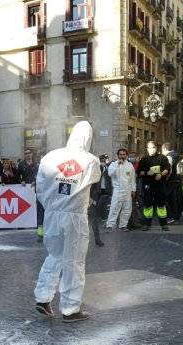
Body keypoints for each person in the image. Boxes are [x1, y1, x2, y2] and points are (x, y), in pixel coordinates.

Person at [34, 120, 100, 323]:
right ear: (89, 137)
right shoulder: (91, 160)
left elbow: (39, 186)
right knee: (74, 261)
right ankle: (71, 309)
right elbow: (94, 179)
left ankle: (43, 297)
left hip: (52, 213)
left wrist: (51, 204)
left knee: (55, 255)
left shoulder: (50, 156)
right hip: (74, 216)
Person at [138, 140, 171, 231]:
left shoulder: (163, 158)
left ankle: (163, 224)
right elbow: (139, 173)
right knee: (147, 204)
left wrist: (161, 174)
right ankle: (147, 224)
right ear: (147, 149)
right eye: (150, 148)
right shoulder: (144, 159)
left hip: (160, 185)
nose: (152, 149)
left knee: (161, 204)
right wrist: (146, 173)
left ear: (156, 148)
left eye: (153, 147)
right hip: (148, 185)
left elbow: (167, 168)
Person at [105, 148, 137, 232]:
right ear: (118, 155)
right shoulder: (113, 164)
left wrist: (133, 189)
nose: (122, 156)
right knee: (114, 208)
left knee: (127, 209)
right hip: (118, 190)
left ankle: (123, 225)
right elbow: (110, 173)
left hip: (128, 190)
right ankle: (110, 225)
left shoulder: (130, 165)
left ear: (126, 155)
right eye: (120, 154)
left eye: (124, 154)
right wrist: (117, 165)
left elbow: (132, 178)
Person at [18, 149, 43, 241]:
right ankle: (23, 223)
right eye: (26, 153)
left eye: (29, 153)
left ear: (32, 154)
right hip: (24, 190)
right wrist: (21, 180)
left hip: (35, 189)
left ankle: (36, 224)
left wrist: (35, 181)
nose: (27, 155)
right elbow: (18, 175)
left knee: (37, 208)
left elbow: (39, 176)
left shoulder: (36, 164)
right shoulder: (21, 164)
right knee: (23, 207)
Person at [161, 142, 180, 224]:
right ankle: (175, 217)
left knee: (164, 198)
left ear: (165, 149)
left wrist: (165, 179)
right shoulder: (176, 155)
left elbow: (169, 169)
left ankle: (170, 216)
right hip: (176, 180)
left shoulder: (169, 157)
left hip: (169, 180)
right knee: (172, 199)